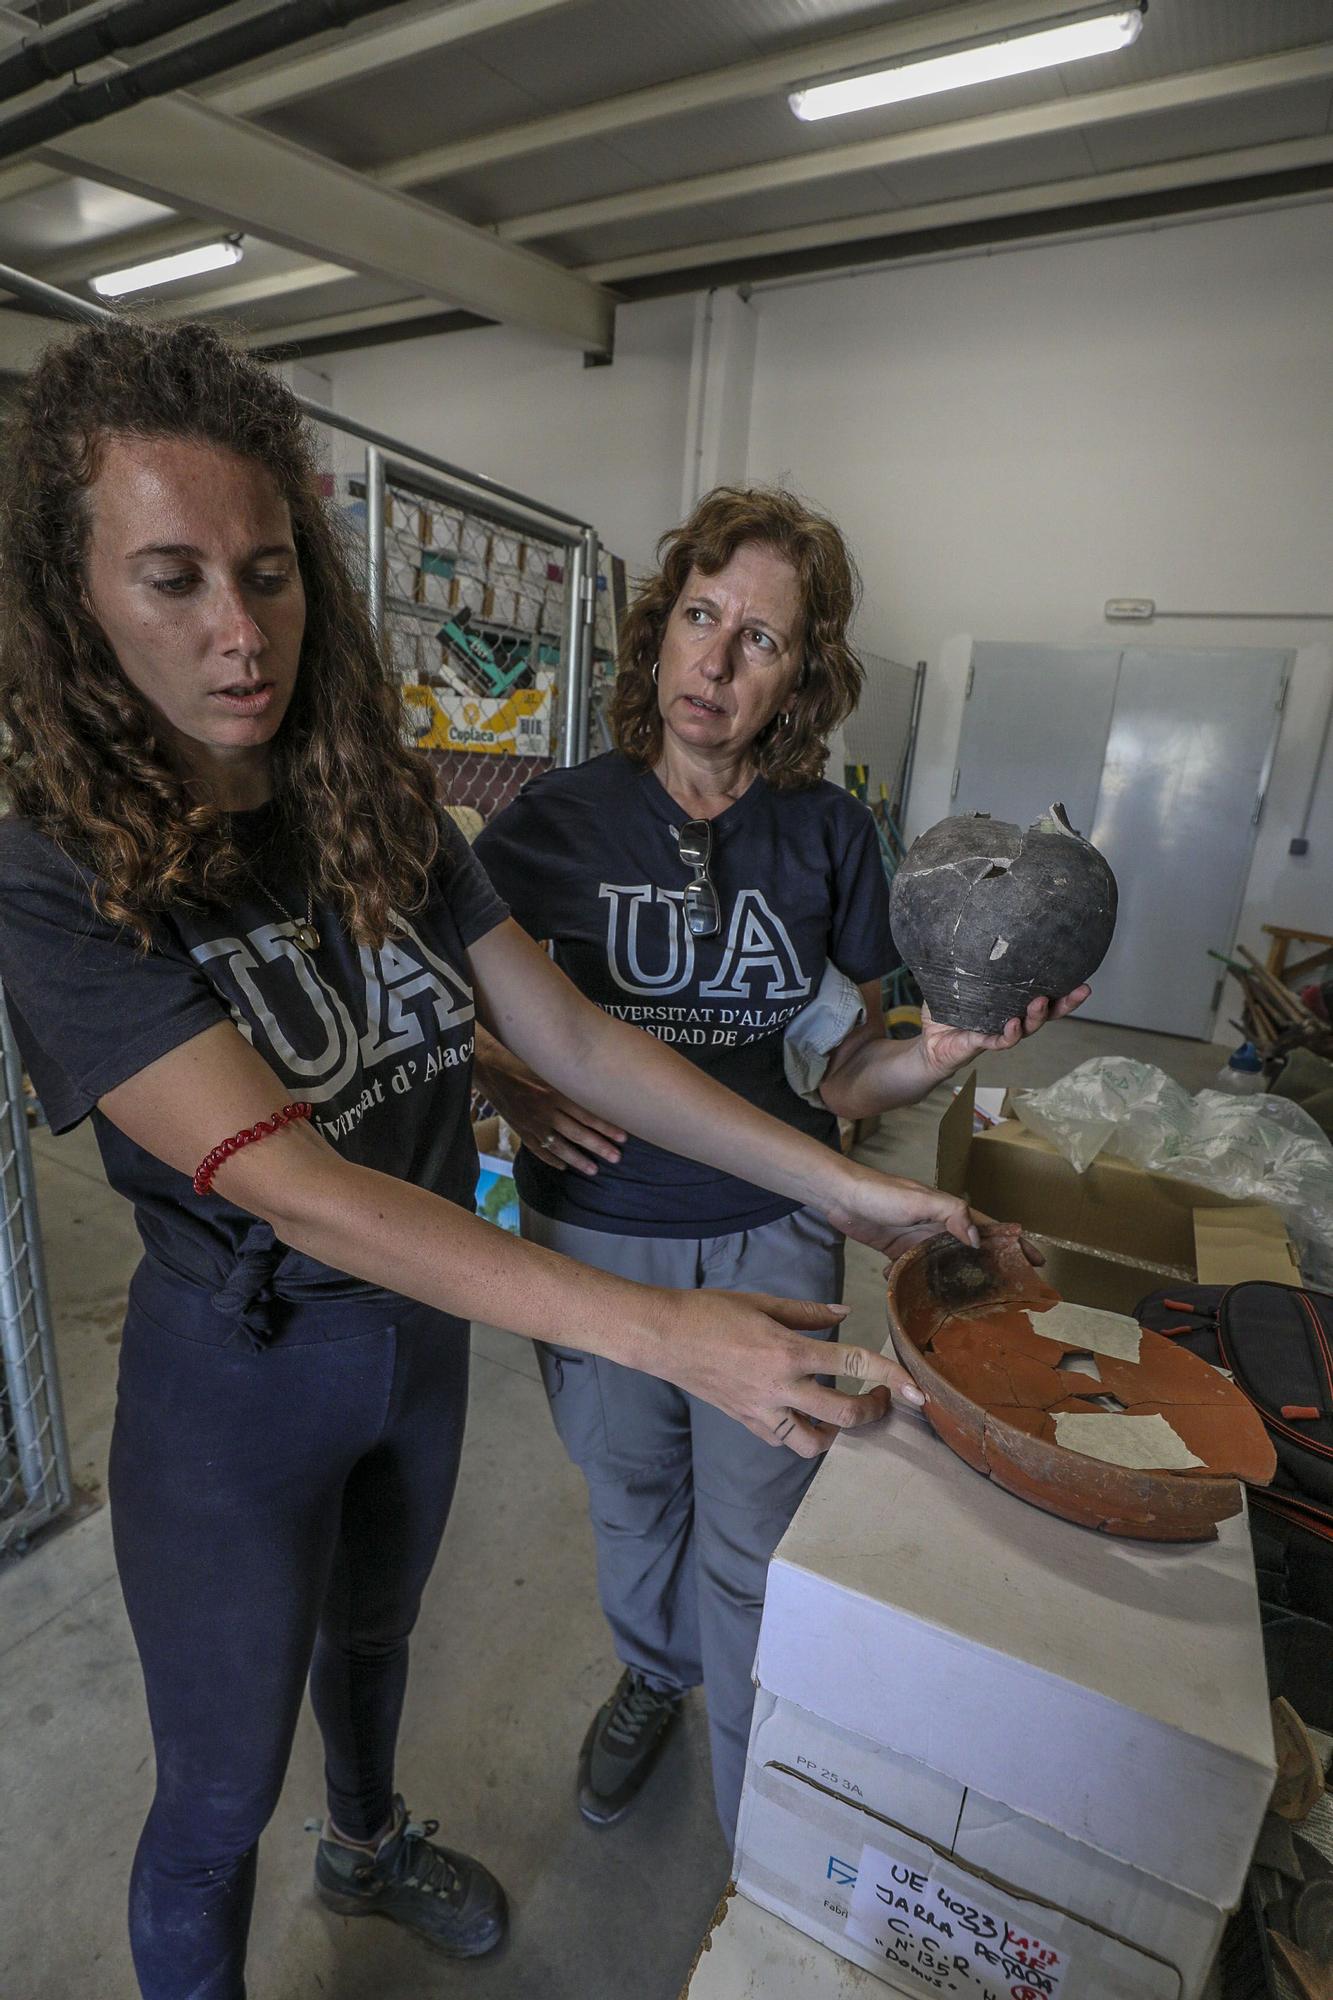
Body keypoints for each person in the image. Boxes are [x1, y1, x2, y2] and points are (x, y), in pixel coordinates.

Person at [0, 325, 988, 2000]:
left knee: (373, 1639)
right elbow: (290, 1175)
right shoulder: (49, 871)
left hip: (416, 1342)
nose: (239, 634)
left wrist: (850, 1186)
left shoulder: (363, 791)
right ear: (75, 597)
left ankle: (370, 1851)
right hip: (241, 1370)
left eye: (266, 572)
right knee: (220, 1789)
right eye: (171, 581)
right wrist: (661, 1328)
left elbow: (587, 1044)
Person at [473, 487, 1087, 1843]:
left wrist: (944, 1051)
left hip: (771, 1230)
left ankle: (759, 1796)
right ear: (654, 633)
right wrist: (492, 1075)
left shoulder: (824, 838)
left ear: (799, 679)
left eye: (759, 641)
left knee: (756, 1529)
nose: (714, 662)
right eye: (699, 617)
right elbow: (458, 998)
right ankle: (651, 1674)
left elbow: (838, 1076)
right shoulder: (550, 827)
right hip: (597, 1237)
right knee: (631, 1500)